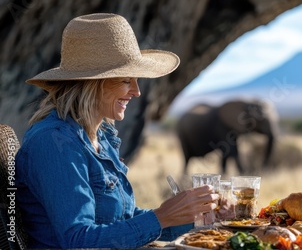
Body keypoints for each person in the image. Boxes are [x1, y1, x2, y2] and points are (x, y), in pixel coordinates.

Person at [15, 13, 219, 248]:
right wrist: (161, 216)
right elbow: (79, 240)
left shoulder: (99, 136)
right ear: (93, 82)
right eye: (125, 80)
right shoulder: (53, 141)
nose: (136, 91)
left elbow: (121, 219)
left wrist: (200, 220)